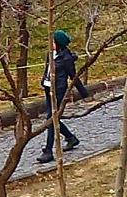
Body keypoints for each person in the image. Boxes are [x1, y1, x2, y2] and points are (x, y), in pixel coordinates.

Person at [36, 29, 89, 163]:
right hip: (48, 88)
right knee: (53, 118)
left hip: (58, 91)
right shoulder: (50, 54)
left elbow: (73, 76)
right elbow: (47, 70)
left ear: (59, 44)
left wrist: (83, 93)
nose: (51, 44)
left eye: (53, 42)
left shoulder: (66, 58)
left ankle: (48, 151)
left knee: (52, 118)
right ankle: (71, 138)